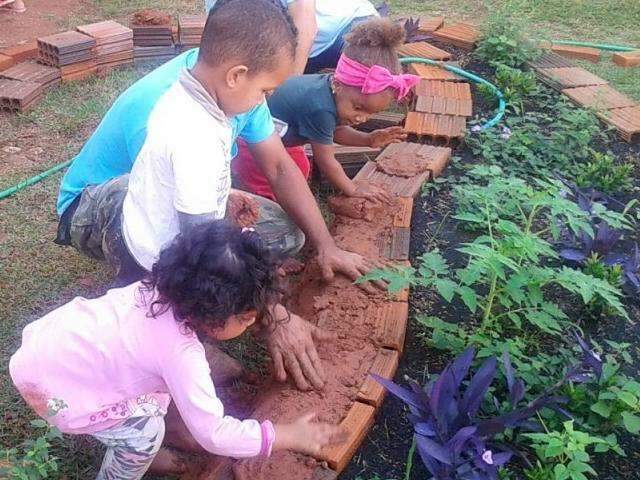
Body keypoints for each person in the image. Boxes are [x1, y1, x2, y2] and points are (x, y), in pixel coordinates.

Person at [55, 0, 376, 392]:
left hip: (164, 207)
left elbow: (275, 166)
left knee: (281, 234)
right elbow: (200, 246)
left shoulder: (207, 87)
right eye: (266, 90)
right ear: (238, 76)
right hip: (103, 209)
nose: (265, 100)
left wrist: (324, 244)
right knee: (190, 274)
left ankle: (164, 308)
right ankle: (153, 321)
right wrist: (273, 314)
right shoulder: (187, 127)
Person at [10, 221, 346, 479]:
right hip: (54, 396)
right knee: (147, 430)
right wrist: (287, 434)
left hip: (40, 352)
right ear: (232, 316)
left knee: (154, 396)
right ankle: (124, 465)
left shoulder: (154, 288)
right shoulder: (180, 356)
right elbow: (215, 435)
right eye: (250, 318)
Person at [233, 18, 419, 202]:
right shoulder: (320, 109)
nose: (362, 118)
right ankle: (266, 209)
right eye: (358, 108)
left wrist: (368, 139)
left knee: (300, 170)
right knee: (273, 183)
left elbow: (333, 132)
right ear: (338, 84)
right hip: (252, 142)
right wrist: (352, 188)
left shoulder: (335, 91)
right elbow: (326, 161)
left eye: (371, 113)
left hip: (280, 137)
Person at [205, 0, 379, 74]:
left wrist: (289, 84)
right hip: (294, 46)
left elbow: (306, 28)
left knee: (359, 75)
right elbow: (225, 34)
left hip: (343, 27)